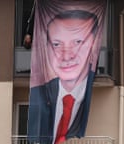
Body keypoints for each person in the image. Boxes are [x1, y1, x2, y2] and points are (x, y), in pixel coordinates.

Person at [28, 9, 99, 144]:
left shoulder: (87, 90)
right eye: (56, 44)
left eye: (78, 42)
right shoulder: (38, 93)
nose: (66, 56)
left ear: (94, 45)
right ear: (46, 48)